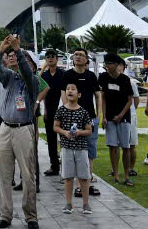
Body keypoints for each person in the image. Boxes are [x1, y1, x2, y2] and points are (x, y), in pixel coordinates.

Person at [0, 34, 38, 229]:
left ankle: (31, 216)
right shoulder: (9, 78)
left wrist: (19, 50)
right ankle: (5, 214)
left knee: (27, 175)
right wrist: (1, 50)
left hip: (23, 130)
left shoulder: (33, 81)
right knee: (4, 175)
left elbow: (26, 72)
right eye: (12, 55)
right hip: (5, 128)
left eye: (18, 57)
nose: (13, 57)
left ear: (31, 65)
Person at [59, 49, 101, 197]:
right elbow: (64, 95)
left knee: (90, 152)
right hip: (73, 119)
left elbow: (98, 95)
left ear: (86, 59)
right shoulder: (67, 75)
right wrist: (69, 112)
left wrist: (99, 115)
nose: (77, 57)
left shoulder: (91, 76)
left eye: (80, 55)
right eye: (75, 55)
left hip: (90, 117)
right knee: (75, 152)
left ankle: (87, 184)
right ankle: (78, 186)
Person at [52, 81, 92, 215]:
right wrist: (64, 132)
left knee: (84, 177)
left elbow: (89, 130)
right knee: (68, 177)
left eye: (73, 89)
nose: (70, 91)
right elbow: (55, 126)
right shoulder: (61, 110)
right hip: (66, 147)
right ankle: (69, 203)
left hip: (81, 148)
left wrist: (79, 132)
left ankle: (86, 204)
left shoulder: (83, 112)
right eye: (68, 89)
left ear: (79, 94)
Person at [97, 54, 136, 186]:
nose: (107, 65)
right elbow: (103, 97)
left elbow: (130, 100)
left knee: (125, 146)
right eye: (106, 63)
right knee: (112, 146)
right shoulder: (103, 77)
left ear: (117, 65)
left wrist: (121, 115)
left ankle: (126, 175)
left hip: (124, 117)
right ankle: (115, 174)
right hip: (109, 117)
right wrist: (103, 116)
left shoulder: (125, 79)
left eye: (110, 63)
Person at [38, 50, 62, 177]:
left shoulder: (63, 74)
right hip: (49, 111)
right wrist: (43, 68)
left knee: (64, 140)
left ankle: (66, 166)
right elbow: (37, 82)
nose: (50, 59)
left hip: (62, 110)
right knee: (51, 140)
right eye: (47, 57)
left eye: (52, 57)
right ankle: (54, 166)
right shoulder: (45, 75)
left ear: (57, 59)